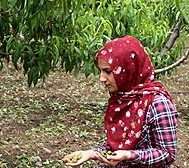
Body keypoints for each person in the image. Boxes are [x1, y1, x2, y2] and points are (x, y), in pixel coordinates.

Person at [62, 35, 178, 167]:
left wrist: (129, 155)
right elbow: (118, 144)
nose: (102, 78)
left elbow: (167, 153)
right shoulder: (122, 99)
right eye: (101, 71)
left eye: (107, 71)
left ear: (128, 69)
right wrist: (90, 153)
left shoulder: (157, 104)